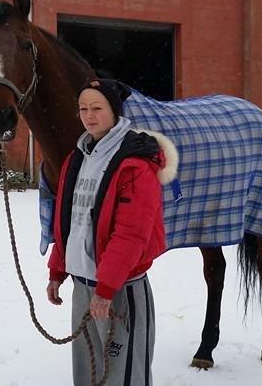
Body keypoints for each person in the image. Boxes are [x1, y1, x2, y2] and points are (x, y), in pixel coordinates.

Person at [46, 78, 177, 386]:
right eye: (82, 109)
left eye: (97, 108)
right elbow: (70, 221)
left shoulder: (134, 165)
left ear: (115, 112)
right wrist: (57, 270)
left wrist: (106, 289)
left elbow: (131, 233)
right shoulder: (77, 157)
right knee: (87, 370)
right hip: (83, 284)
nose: (89, 116)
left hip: (119, 290)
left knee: (123, 372)